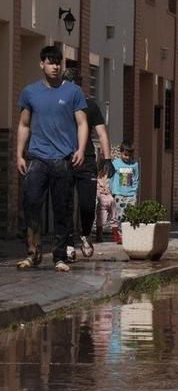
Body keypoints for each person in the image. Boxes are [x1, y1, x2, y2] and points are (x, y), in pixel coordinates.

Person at [15, 45, 89, 272]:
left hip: (63, 158)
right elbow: (24, 125)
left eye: (58, 62)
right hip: (37, 156)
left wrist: (81, 149)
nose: (55, 66)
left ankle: (60, 257)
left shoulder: (73, 92)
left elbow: (82, 123)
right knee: (32, 203)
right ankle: (33, 254)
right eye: (50, 62)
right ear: (41, 64)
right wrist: (19, 154)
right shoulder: (30, 92)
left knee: (62, 208)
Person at [61, 67, 113, 258]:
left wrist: (107, 159)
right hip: (64, 158)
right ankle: (67, 242)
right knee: (65, 203)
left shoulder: (90, 106)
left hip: (87, 161)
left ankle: (84, 234)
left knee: (86, 204)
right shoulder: (59, 105)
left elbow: (102, 133)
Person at [109, 142, 140, 244]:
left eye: (130, 156)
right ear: (121, 152)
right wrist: (112, 191)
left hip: (131, 194)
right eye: (125, 155)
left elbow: (136, 178)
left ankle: (130, 234)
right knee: (121, 215)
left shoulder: (134, 164)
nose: (127, 158)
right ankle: (120, 234)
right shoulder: (116, 163)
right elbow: (111, 178)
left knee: (131, 214)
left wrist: (134, 190)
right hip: (119, 194)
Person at [96, 177, 116, 242]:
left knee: (112, 202)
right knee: (101, 217)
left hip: (109, 196)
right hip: (101, 196)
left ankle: (115, 234)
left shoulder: (110, 179)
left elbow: (112, 188)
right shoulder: (97, 179)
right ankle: (99, 235)